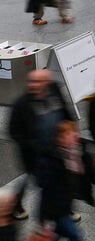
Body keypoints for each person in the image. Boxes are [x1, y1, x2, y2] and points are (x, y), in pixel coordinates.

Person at [35, 121, 95, 241]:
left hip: (66, 205)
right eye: (69, 134)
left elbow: (90, 170)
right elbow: (45, 189)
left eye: (74, 132)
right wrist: (43, 218)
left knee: (55, 237)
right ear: (60, 139)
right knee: (75, 235)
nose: (74, 135)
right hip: (54, 210)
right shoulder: (52, 160)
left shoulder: (79, 151)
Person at [7, 69, 75, 221]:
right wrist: (32, 145)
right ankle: (16, 205)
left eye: (37, 81)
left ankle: (65, 209)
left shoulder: (55, 92)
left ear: (47, 83)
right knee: (32, 179)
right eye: (31, 81)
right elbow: (13, 131)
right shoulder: (22, 104)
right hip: (35, 154)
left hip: (58, 148)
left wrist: (71, 128)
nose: (32, 85)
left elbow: (65, 111)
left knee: (62, 179)